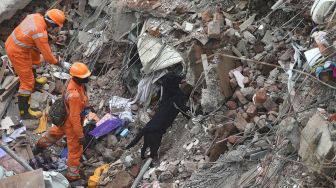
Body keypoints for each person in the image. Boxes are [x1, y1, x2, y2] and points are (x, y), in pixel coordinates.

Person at [5, 9, 70, 119]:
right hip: (17, 52)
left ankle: (34, 82)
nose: (57, 30)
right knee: (27, 83)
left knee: (35, 62)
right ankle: (24, 112)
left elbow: (31, 34)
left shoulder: (35, 16)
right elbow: (49, 57)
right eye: (57, 27)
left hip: (16, 43)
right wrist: (62, 64)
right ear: (53, 25)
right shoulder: (40, 34)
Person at [33, 62, 91, 181]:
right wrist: (80, 135)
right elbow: (74, 119)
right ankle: (73, 176)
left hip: (64, 118)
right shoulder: (74, 95)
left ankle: (39, 145)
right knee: (75, 151)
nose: (88, 78)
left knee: (54, 133)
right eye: (85, 77)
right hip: (72, 124)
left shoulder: (72, 81)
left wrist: (86, 106)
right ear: (77, 77)